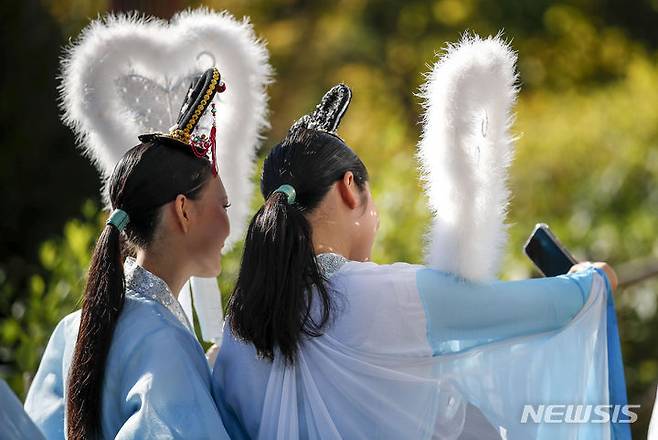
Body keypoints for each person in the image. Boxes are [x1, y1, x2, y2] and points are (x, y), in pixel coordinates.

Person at [213, 84, 619, 439]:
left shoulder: (240, 325)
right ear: (350, 189)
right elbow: (536, 308)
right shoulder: (393, 296)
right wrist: (593, 280)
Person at [25, 68, 231, 439]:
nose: (229, 228)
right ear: (184, 210)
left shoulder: (73, 327)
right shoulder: (164, 341)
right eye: (223, 207)